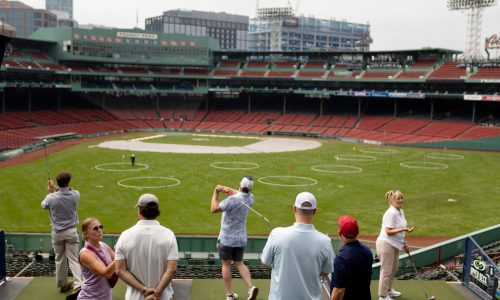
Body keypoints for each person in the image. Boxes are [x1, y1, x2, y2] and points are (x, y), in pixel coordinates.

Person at [261, 192, 335, 300]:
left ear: (294, 209)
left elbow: (265, 262)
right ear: (314, 211)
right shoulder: (325, 242)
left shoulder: (276, 234)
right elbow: (325, 271)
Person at [115, 193, 178, 300]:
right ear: (157, 211)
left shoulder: (124, 236)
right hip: (163, 297)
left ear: (139, 210)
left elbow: (120, 270)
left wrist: (144, 290)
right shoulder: (169, 235)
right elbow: (171, 269)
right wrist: (157, 292)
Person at [211, 176, 259, 300]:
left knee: (226, 265)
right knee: (240, 264)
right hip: (240, 239)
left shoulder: (231, 200)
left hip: (226, 239)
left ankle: (229, 295)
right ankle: (251, 287)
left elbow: (214, 208)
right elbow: (240, 193)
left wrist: (216, 192)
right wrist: (228, 190)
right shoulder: (251, 198)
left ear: (240, 184)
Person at [41, 172, 82, 293]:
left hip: (57, 233)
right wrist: (54, 189)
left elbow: (43, 205)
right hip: (71, 232)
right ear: (68, 182)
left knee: (60, 259)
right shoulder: (76, 194)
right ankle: (78, 284)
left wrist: (50, 191)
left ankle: (63, 284)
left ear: (58, 183)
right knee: (73, 259)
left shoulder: (51, 197)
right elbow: (64, 193)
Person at [376, 190, 414, 300]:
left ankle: (388, 290)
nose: (401, 200)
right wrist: (403, 229)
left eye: (401, 198)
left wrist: (405, 243)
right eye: (398, 198)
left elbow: (400, 233)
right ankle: (383, 296)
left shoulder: (400, 211)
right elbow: (388, 231)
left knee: (394, 268)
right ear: (392, 200)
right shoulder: (391, 213)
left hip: (395, 244)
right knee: (386, 270)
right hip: (386, 244)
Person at [330, 215, 373, 300]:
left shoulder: (341, 259)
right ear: (357, 233)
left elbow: (339, 290)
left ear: (339, 233)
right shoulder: (367, 251)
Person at [77, 218, 116, 300]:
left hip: (106, 296)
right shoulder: (85, 254)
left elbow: (120, 262)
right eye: (95, 228)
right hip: (90, 297)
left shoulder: (104, 245)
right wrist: (121, 253)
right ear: (85, 234)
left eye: (100, 227)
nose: (99, 230)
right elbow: (106, 273)